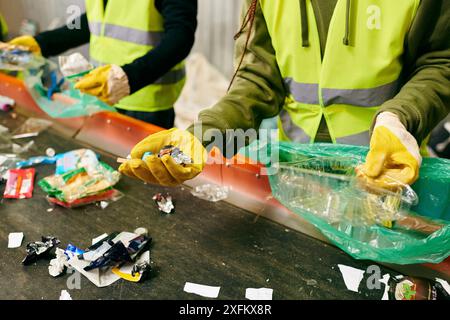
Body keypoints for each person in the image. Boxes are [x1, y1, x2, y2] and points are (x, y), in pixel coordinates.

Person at [119, 0, 449, 189]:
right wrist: (204, 134)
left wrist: (400, 117)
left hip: (383, 180)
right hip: (296, 179)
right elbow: (259, 76)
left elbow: (440, 61)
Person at [9, 0, 197, 129]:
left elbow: (180, 37)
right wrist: (43, 43)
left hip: (146, 103)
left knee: (143, 176)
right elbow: (95, 21)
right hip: (101, 95)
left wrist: (128, 77)